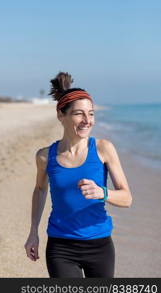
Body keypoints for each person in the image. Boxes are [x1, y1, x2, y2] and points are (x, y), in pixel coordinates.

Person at [24, 72, 132, 278]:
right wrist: (33, 232)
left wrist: (103, 193)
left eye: (91, 113)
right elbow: (40, 189)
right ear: (61, 116)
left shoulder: (103, 149)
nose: (87, 121)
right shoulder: (45, 156)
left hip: (100, 246)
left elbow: (127, 198)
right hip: (61, 246)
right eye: (79, 114)